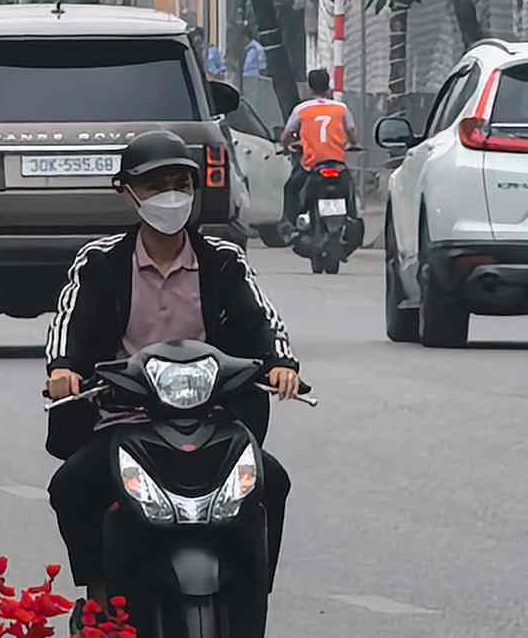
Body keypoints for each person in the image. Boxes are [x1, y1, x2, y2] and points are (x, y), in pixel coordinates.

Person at [44, 132, 299, 610]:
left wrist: (281, 364)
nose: (170, 195)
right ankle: (99, 596)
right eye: (156, 184)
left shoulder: (224, 260)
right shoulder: (99, 262)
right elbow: (68, 325)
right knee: (71, 486)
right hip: (124, 419)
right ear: (127, 191)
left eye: (180, 182)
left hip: (214, 419)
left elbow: (262, 320)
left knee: (274, 482)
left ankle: (251, 591)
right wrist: (63, 369)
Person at [281, 68, 351, 225]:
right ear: (328, 86)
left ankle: (291, 223)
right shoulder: (341, 108)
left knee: (291, 188)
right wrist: (354, 143)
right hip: (338, 163)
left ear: (310, 86)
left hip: (311, 164)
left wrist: (286, 146)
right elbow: (351, 130)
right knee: (350, 188)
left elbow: (286, 134)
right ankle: (352, 216)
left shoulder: (302, 109)